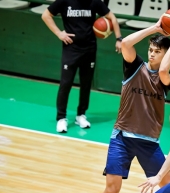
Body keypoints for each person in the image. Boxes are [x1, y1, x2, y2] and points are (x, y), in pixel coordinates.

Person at [94, 17, 170, 193]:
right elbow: (126, 44)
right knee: (112, 190)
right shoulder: (134, 67)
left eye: (158, 51)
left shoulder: (165, 79)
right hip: (122, 138)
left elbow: (163, 70)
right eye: (151, 50)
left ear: (165, 55)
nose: (152, 54)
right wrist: (155, 28)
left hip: (149, 143)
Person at [41, 0, 122, 133]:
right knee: (65, 83)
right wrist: (59, 33)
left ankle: (81, 115)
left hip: (89, 48)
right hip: (71, 49)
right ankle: (61, 118)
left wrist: (119, 39)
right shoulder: (64, 1)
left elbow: (112, 17)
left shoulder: (94, 2)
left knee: (86, 84)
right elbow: (45, 15)